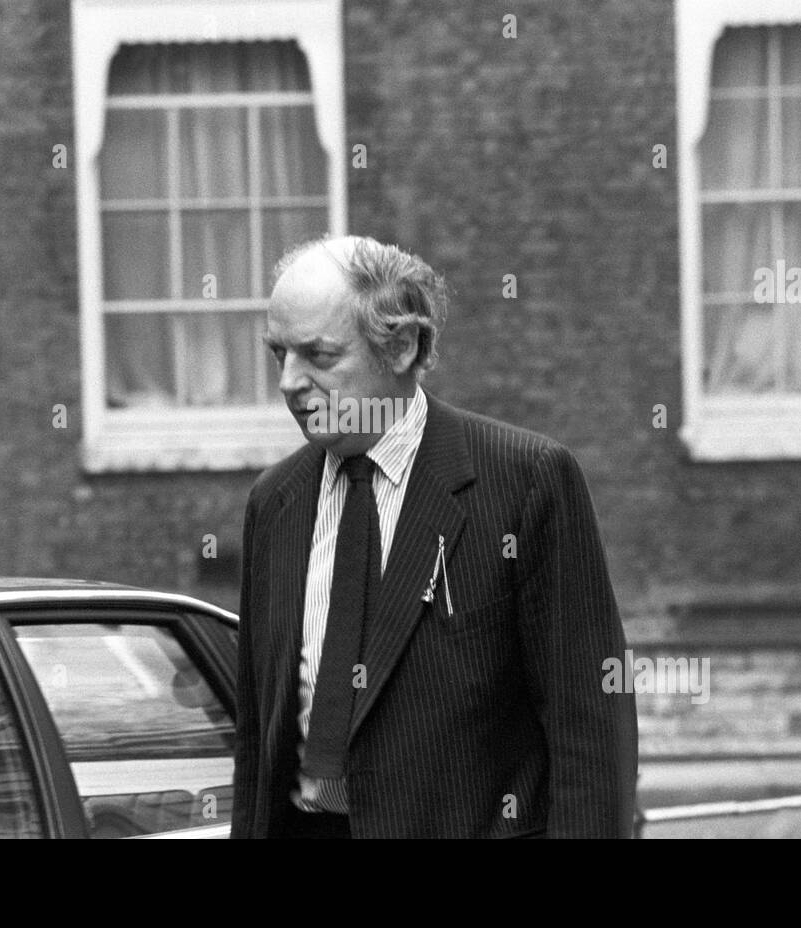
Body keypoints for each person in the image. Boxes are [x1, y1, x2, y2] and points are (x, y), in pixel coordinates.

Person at [231, 235, 638, 838]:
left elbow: (592, 731)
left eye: (318, 356)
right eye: (278, 355)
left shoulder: (525, 482)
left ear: (402, 346)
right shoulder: (275, 503)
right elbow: (255, 745)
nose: (291, 382)